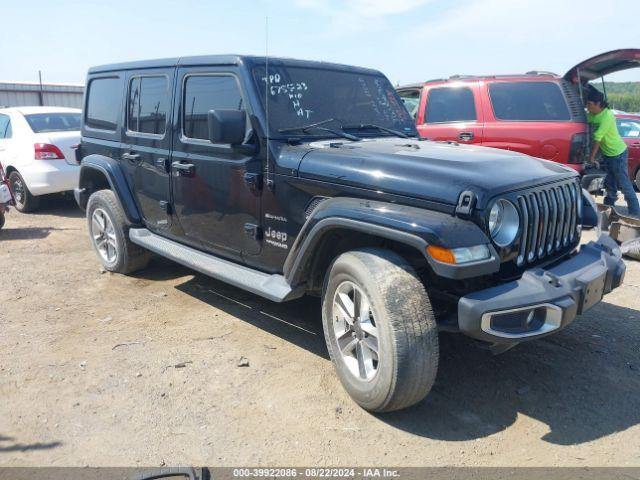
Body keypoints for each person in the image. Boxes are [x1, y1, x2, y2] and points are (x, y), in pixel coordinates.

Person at [586, 89, 639, 216]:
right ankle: (609, 209)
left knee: (624, 184)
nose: (587, 107)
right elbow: (584, 123)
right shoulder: (592, 115)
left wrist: (591, 158)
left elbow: (598, 138)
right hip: (608, 155)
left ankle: (635, 213)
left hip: (618, 153)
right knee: (610, 183)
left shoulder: (607, 115)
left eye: (589, 104)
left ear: (598, 103)